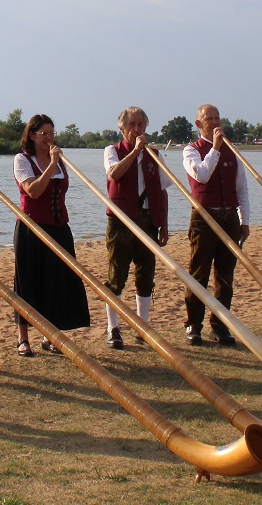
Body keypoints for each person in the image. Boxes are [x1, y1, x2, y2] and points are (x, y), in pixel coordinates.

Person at [11, 114, 91, 356]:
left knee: (57, 280)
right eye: (44, 133)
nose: (49, 138)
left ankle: (51, 336)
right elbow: (33, 191)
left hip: (59, 226)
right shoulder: (22, 160)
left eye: (52, 133)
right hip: (31, 228)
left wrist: (56, 162)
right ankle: (22, 338)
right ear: (32, 136)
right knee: (27, 281)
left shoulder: (60, 160)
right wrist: (52, 165)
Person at [181, 104, 251, 347]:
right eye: (208, 119)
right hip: (204, 217)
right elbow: (202, 175)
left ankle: (220, 326)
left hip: (229, 217)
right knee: (198, 274)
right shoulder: (191, 150)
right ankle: (193, 325)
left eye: (217, 118)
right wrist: (216, 148)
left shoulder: (233, 151)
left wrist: (245, 221)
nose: (214, 122)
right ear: (199, 124)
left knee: (225, 276)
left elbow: (241, 189)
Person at [102, 107, 171, 349]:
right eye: (132, 125)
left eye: (141, 124)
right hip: (121, 220)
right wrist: (135, 151)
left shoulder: (155, 155)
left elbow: (163, 190)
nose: (137, 129)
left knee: (146, 275)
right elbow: (114, 174)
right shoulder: (112, 151)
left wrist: (163, 225)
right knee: (116, 275)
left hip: (148, 220)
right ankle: (113, 328)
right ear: (122, 128)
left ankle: (143, 327)